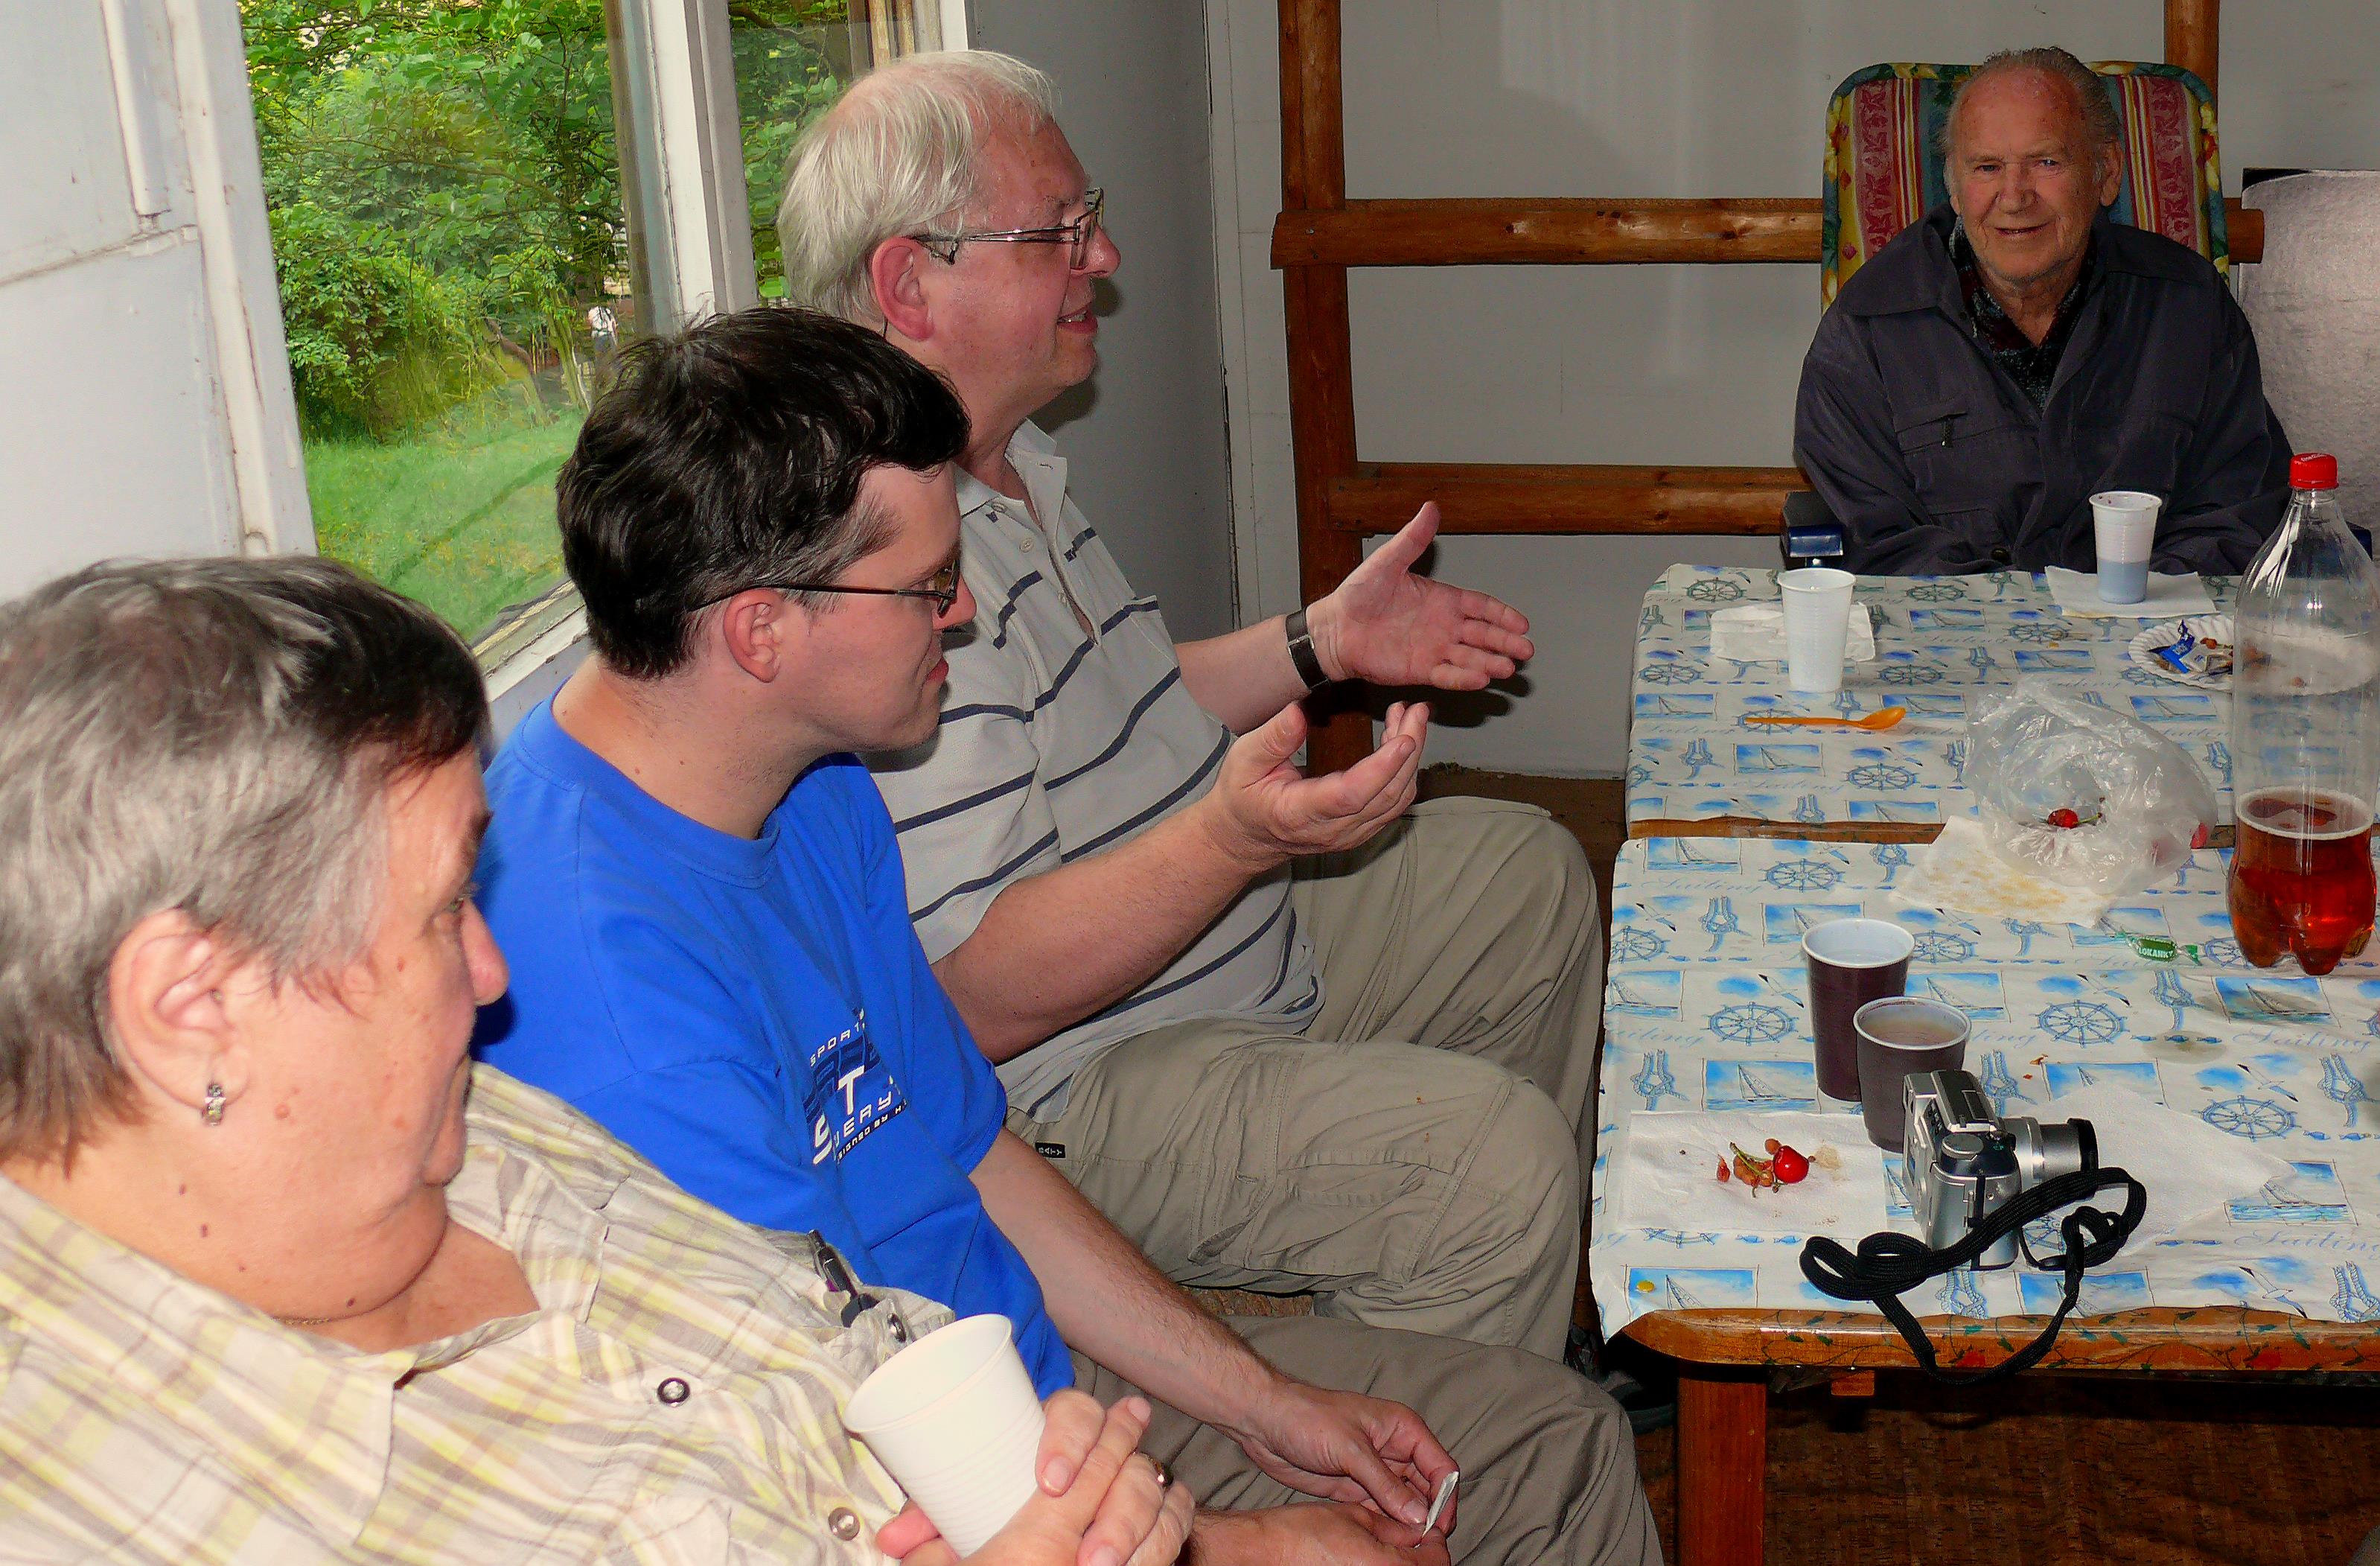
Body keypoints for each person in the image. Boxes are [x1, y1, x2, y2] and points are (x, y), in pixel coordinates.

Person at [471, 307, 1662, 1566]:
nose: (964, 610)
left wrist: (1265, 1402)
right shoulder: (613, 1008)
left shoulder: (806, 783)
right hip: (937, 1496)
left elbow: (964, 1147)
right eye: (927, 584)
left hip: (1028, 1382)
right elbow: (828, 1480)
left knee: (1551, 1442)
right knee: (1525, 1485)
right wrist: (1241, 1544)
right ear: (760, 630)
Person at [0, 555, 1190, 1566]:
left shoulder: (481, 1125)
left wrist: (1051, 1496)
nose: (493, 973)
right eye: (443, 908)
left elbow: (860, 1325)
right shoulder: (112, 1506)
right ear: (192, 1004)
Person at [777, 50, 1606, 1371]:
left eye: (1089, 217)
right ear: (907, 283)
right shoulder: (886, 560)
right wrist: (1234, 838)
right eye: (1056, 232)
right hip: (1078, 1086)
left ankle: (1487, 1340)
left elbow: (1128, 692)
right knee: (1492, 1160)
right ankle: (1403, 1405)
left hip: (1221, 947)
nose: (1101, 256)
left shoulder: (1009, 459)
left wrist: (1323, 640)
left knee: (1525, 876)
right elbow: (973, 996)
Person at [1795, 45, 2290, 575]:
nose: (2013, 197)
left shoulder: (2190, 307)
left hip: (2147, 618)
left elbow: (2235, 512)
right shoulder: (1865, 328)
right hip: (1953, 621)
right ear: (1954, 187)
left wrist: (2128, 606)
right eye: (1986, 167)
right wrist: (2011, 614)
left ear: (2106, 173)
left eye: (2046, 163)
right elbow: (1880, 543)